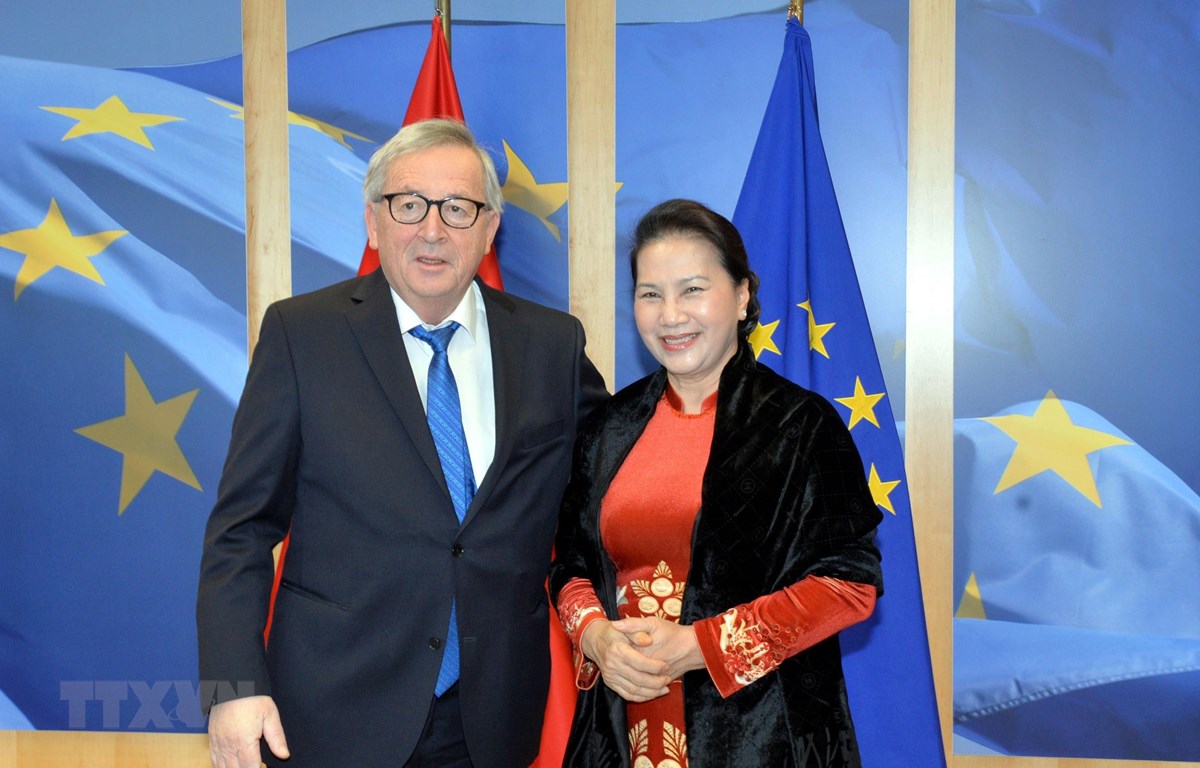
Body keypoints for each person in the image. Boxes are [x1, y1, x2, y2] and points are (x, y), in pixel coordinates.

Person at [197, 118, 608, 768]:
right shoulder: (302, 336)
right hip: (329, 715)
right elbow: (240, 531)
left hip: (491, 721)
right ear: (373, 221)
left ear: (489, 229)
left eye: (458, 208)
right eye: (409, 204)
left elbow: (614, 486)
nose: (432, 229)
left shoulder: (551, 346)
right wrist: (231, 690)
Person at [549, 199, 884, 767]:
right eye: (650, 294)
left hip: (763, 734)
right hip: (618, 732)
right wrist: (597, 637)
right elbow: (571, 567)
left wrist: (700, 646)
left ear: (742, 295)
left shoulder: (800, 426)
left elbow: (849, 584)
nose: (670, 315)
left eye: (692, 290)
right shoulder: (608, 427)